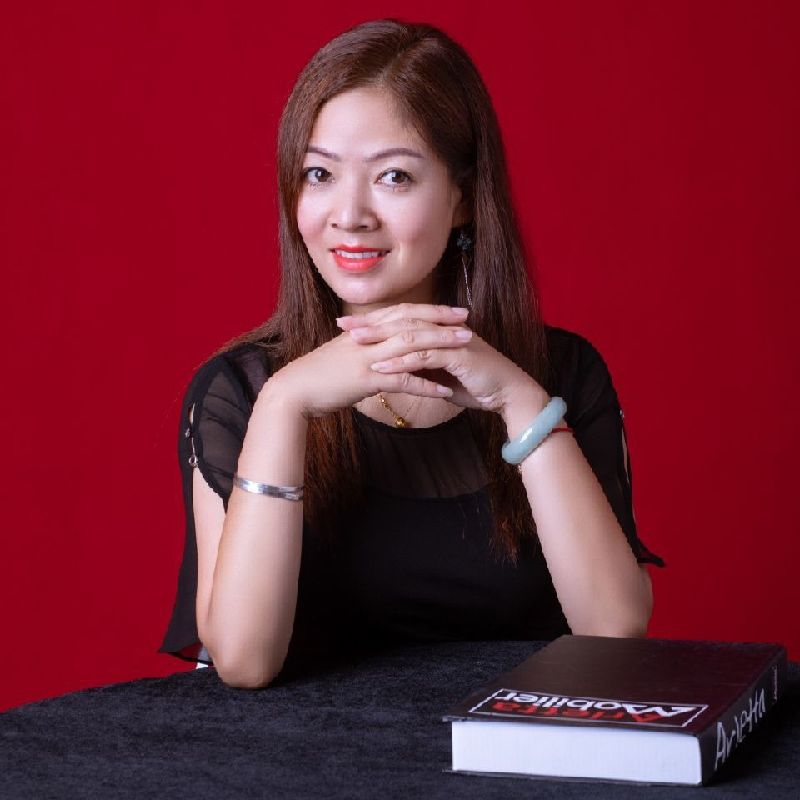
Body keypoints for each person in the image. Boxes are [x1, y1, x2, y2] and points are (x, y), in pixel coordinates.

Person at [157, 18, 665, 688]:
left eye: (393, 177)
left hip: (512, 746)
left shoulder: (562, 374)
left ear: (462, 198)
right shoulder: (241, 390)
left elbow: (614, 633)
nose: (349, 215)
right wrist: (285, 404)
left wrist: (521, 402)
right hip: (310, 753)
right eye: (319, 174)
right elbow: (244, 662)